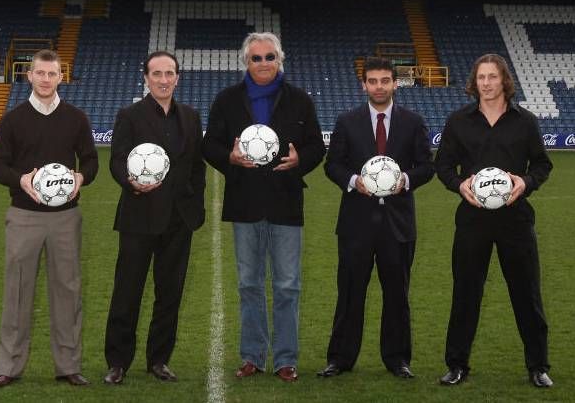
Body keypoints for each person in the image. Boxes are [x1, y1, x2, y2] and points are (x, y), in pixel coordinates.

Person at [202, 32, 325, 382]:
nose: (263, 63)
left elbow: (317, 146)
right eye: (256, 58)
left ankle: (286, 359)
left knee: (288, 285)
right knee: (249, 285)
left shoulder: (299, 100)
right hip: (245, 204)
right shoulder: (227, 100)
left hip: (286, 203)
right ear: (246, 62)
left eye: (270, 57)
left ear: (279, 60)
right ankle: (252, 356)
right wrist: (230, 157)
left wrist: (301, 160)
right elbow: (209, 144)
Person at [434, 53, 554, 388]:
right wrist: (459, 184)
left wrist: (525, 183)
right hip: (472, 219)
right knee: (465, 294)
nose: (487, 83)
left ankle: (538, 366)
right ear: (475, 82)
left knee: (526, 294)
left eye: (493, 77)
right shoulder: (459, 121)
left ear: (504, 81)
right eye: (481, 77)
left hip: (515, 219)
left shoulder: (525, 121)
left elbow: (542, 165)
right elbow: (442, 165)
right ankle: (457, 365)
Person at [318, 57, 434, 379]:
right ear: (364, 84)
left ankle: (397, 360)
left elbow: (427, 166)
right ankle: (340, 358)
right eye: (373, 81)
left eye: (385, 80)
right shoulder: (347, 121)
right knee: (350, 292)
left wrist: (405, 181)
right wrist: (355, 182)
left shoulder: (413, 122)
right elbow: (333, 164)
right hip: (356, 223)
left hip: (397, 225)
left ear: (395, 83)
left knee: (397, 294)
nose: (379, 86)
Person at [0, 49, 98, 388]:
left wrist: (81, 178)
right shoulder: (12, 119)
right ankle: (9, 366)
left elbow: (91, 161)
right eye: (40, 73)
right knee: (18, 290)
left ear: (60, 77)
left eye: (52, 74)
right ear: (29, 76)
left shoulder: (76, 118)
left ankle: (68, 365)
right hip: (24, 216)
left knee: (67, 290)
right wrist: (20, 178)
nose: (46, 79)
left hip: (65, 217)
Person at [103, 51, 205, 385]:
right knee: (127, 292)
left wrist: (196, 207)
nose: (163, 80)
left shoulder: (190, 117)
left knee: (170, 294)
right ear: (145, 78)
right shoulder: (130, 115)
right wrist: (129, 181)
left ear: (178, 77)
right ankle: (117, 362)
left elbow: (197, 166)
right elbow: (117, 159)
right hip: (138, 216)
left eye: (169, 73)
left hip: (178, 219)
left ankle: (159, 359)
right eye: (157, 74)